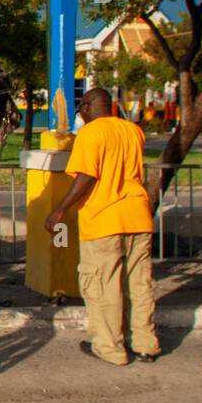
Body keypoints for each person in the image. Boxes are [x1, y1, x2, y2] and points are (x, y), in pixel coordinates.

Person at [45, 88, 159, 366]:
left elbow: (87, 175)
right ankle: (145, 344)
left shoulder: (90, 133)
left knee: (103, 285)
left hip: (104, 219)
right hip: (138, 217)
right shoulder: (134, 131)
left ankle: (111, 348)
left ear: (85, 108)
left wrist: (60, 209)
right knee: (139, 284)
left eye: (80, 109)